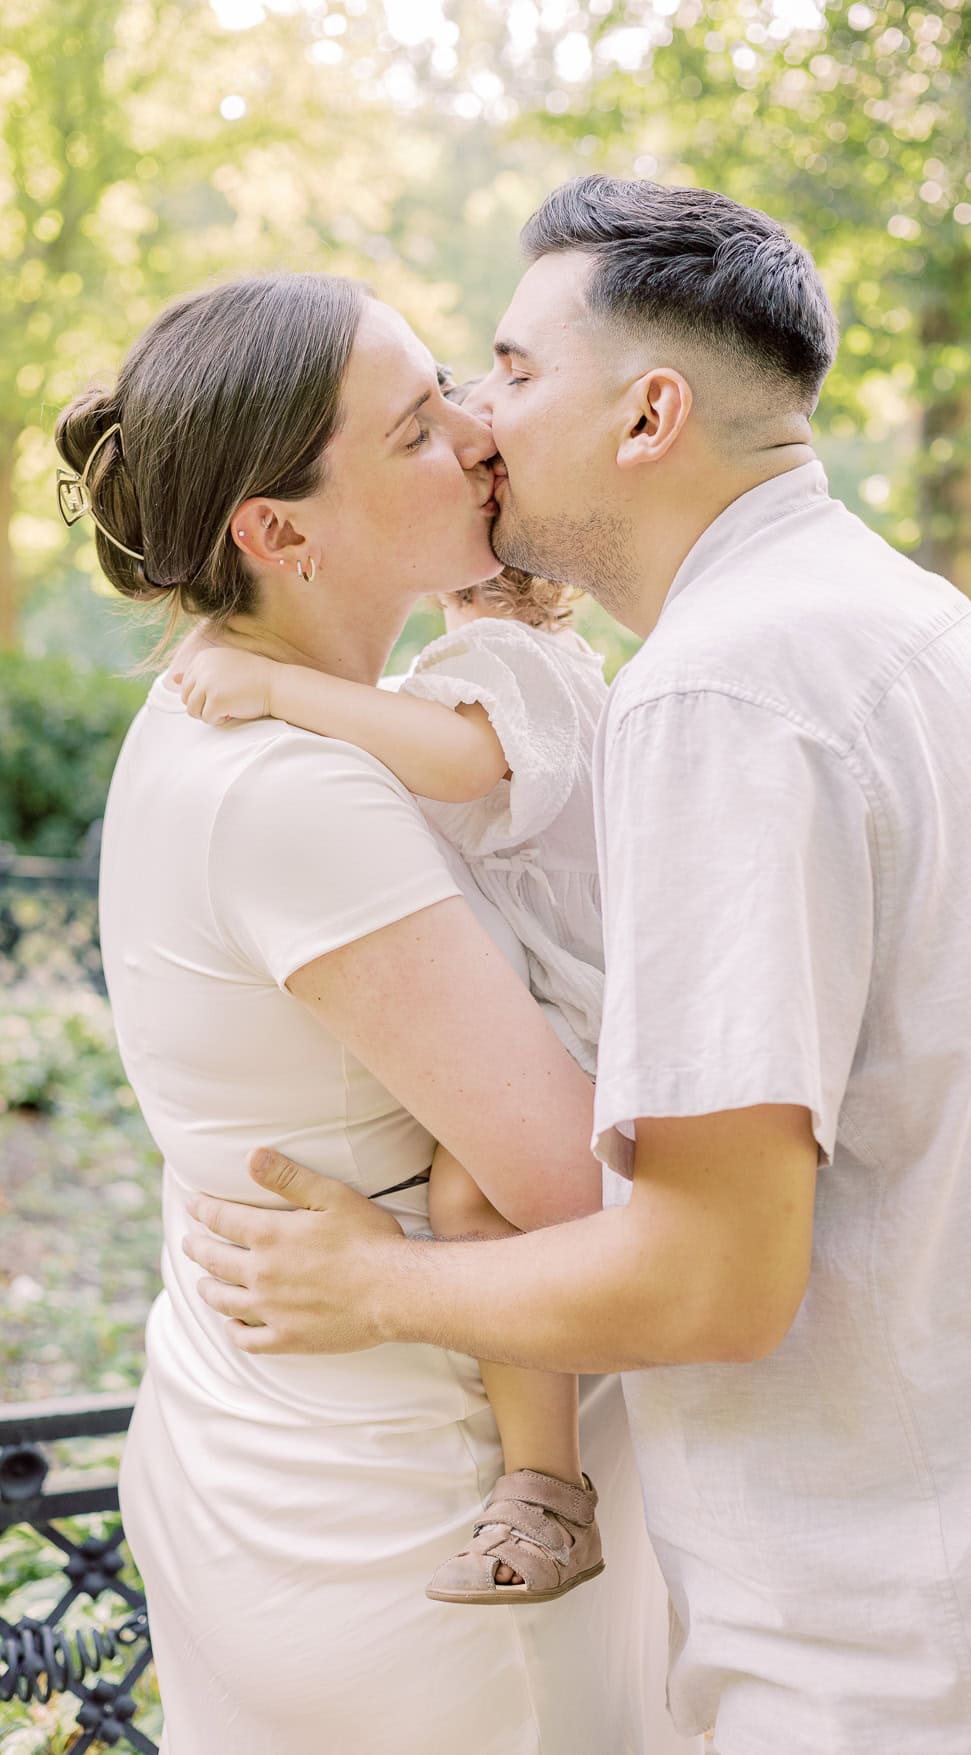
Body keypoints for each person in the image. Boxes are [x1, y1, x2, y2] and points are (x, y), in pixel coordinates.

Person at [186, 178, 971, 1755]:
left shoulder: (728, 697)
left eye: (508, 370)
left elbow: (712, 1273)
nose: (477, 421)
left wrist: (377, 1285)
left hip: (908, 1677)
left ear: (648, 415)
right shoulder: (912, 627)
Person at [55, 271, 698, 1754]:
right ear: (278, 534)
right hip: (423, 1542)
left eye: (456, 394)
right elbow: (566, 1187)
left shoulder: (210, 713)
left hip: (271, 1458)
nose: (478, 436)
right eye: (418, 427)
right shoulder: (297, 787)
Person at [173, 531, 609, 1605]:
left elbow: (459, 761)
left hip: (586, 1001)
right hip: (559, 990)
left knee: (481, 1193)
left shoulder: (524, 666)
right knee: (475, 1191)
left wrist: (278, 683)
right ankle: (548, 1480)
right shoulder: (468, 674)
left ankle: (547, 1484)